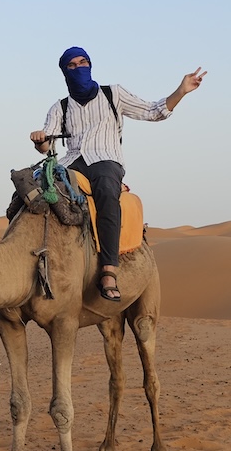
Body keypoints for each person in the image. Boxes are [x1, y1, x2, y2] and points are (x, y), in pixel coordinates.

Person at [30, 46, 206, 301]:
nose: (79, 68)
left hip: (105, 160)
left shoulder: (114, 94)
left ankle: (109, 270)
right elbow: (47, 145)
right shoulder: (60, 108)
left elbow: (154, 111)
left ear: (90, 65)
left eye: (83, 62)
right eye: (72, 65)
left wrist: (181, 91)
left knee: (106, 193)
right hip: (72, 163)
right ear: (65, 71)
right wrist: (39, 140)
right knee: (38, 188)